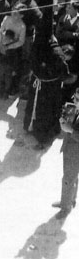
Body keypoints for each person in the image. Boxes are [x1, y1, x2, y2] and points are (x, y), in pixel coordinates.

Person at [55, 88, 79, 218]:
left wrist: (69, 130)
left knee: (68, 179)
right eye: (74, 97)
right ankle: (70, 200)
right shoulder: (76, 110)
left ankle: (65, 207)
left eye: (77, 99)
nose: (74, 101)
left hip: (75, 152)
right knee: (73, 178)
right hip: (70, 148)